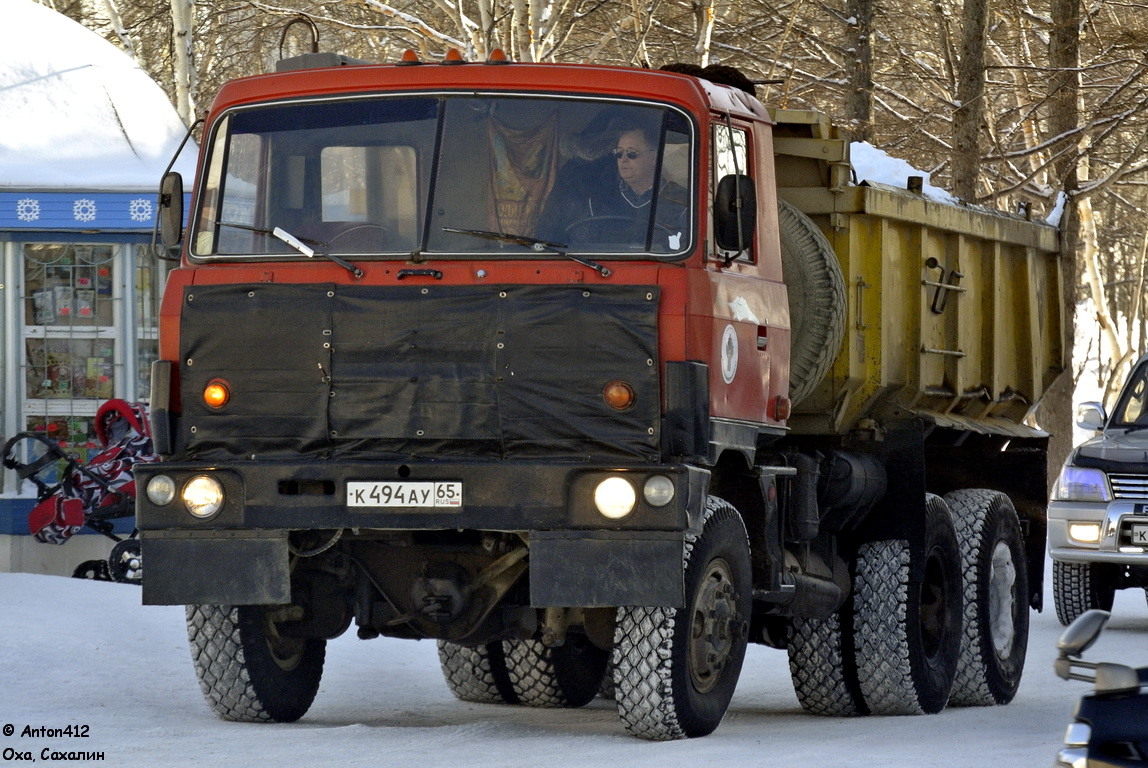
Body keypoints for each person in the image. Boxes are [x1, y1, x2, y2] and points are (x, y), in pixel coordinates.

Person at [542, 124, 688, 251]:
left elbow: (681, 258)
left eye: (631, 153)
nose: (623, 159)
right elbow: (581, 247)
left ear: (654, 158)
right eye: (618, 153)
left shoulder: (682, 203)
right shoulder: (599, 198)